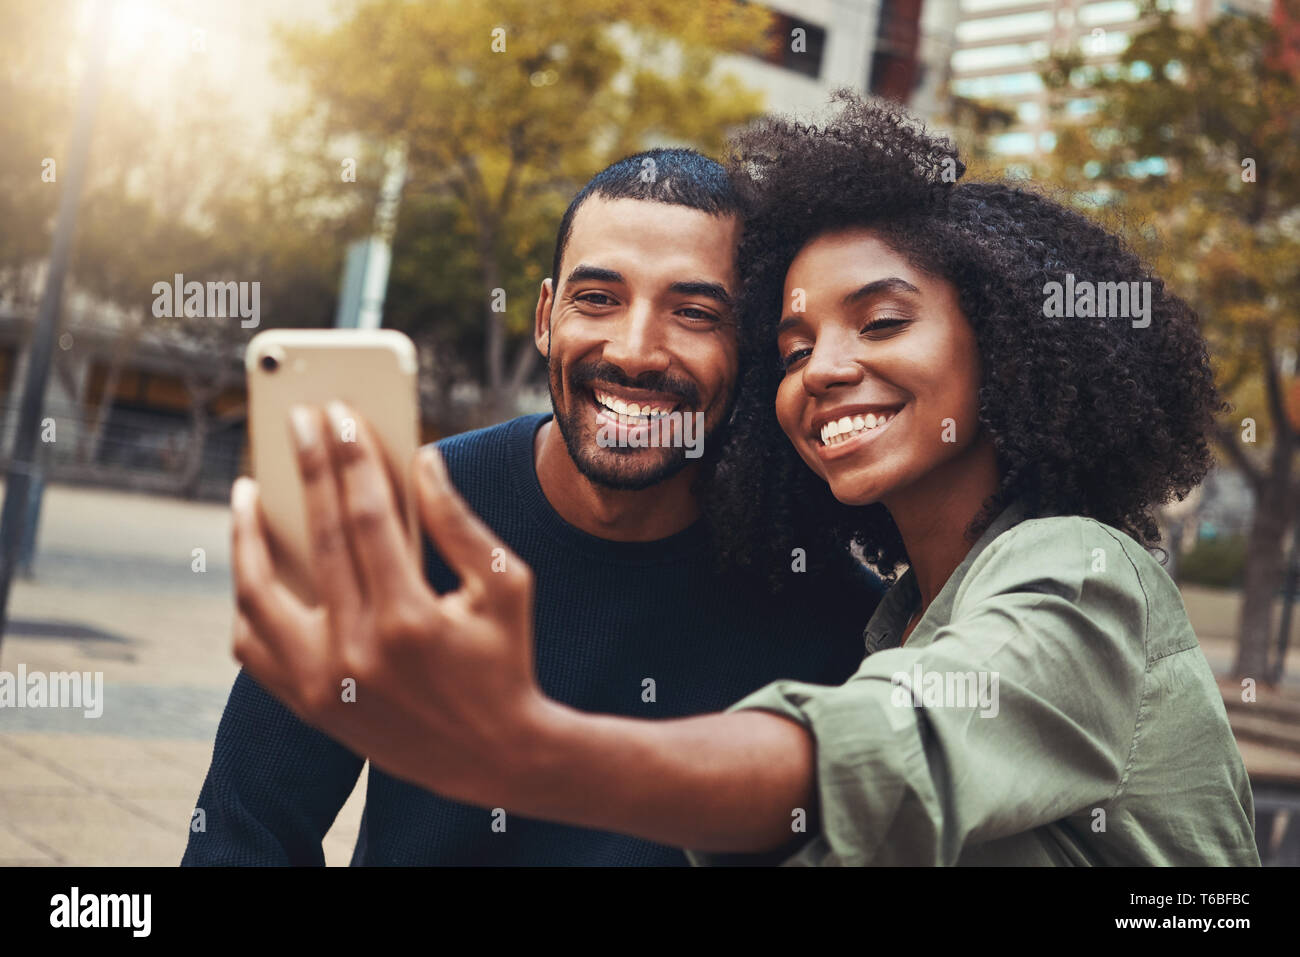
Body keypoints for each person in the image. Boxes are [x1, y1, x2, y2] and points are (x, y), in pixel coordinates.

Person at [227, 96, 1259, 865]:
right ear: (544, 314)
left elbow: (888, 756)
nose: (831, 368)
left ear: (1001, 343)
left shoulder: (1069, 572)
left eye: (883, 321)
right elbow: (241, 832)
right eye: (798, 342)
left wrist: (529, 752)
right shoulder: (894, 622)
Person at [184, 148, 882, 866]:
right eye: (599, 299)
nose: (636, 350)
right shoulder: (392, 519)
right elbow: (244, 832)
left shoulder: (829, 609)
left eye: (695, 312)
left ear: (751, 347)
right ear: (547, 316)